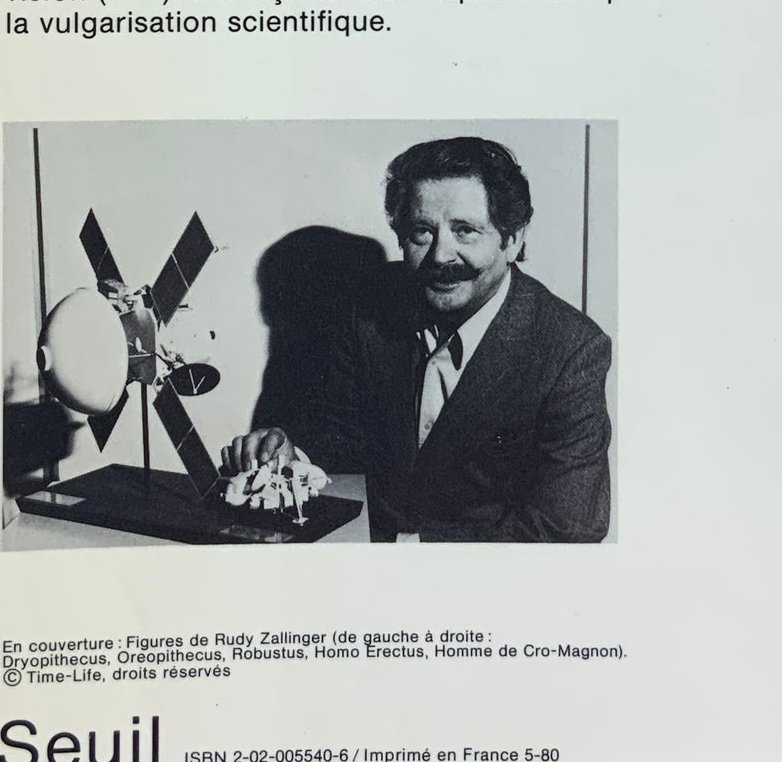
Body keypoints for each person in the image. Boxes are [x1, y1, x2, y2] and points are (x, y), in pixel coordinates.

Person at [228, 135, 612, 541]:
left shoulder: (571, 350)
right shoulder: (369, 307)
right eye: (422, 232)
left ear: (512, 239)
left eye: (465, 231)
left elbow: (566, 527)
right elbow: (340, 439)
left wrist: (410, 551)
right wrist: (293, 453)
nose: (441, 255)